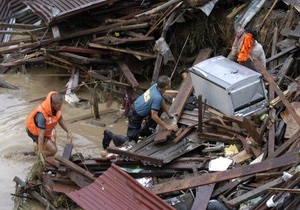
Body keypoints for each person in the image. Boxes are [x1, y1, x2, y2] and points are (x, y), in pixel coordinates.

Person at [102, 75, 179, 149]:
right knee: (131, 142)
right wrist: (167, 126)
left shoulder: (156, 86)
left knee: (159, 109)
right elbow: (154, 116)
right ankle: (109, 134)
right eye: (170, 82)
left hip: (139, 109)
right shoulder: (157, 97)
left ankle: (145, 131)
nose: (170, 83)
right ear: (166, 87)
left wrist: (169, 114)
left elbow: (161, 100)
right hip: (135, 114)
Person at [26, 91, 73, 157]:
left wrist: (68, 131)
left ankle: (39, 150)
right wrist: (41, 151)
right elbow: (41, 136)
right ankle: (32, 155)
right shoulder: (42, 115)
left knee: (46, 147)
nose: (61, 107)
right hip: (34, 132)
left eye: (61, 105)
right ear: (53, 104)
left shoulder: (56, 108)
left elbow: (60, 119)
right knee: (53, 150)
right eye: (59, 105)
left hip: (41, 131)